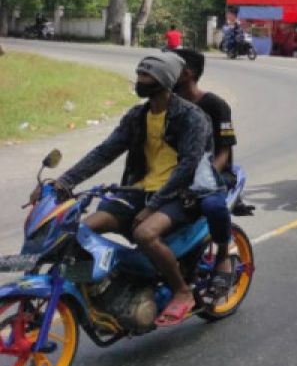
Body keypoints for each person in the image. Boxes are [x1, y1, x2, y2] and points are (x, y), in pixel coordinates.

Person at [49, 53, 212, 326]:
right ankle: (106, 289)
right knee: (80, 231)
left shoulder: (192, 117)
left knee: (145, 234)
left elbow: (188, 168)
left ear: (163, 81)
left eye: (146, 77)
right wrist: (65, 181)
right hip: (140, 190)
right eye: (139, 75)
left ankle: (182, 292)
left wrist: (153, 205)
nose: (140, 81)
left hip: (183, 194)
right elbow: (105, 152)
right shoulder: (138, 116)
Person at [171, 48, 239, 295]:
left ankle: (223, 255)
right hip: (174, 174)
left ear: (187, 73)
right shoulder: (166, 103)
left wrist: (201, 178)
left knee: (210, 205)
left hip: (212, 174)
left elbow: (224, 153)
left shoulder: (216, 106)